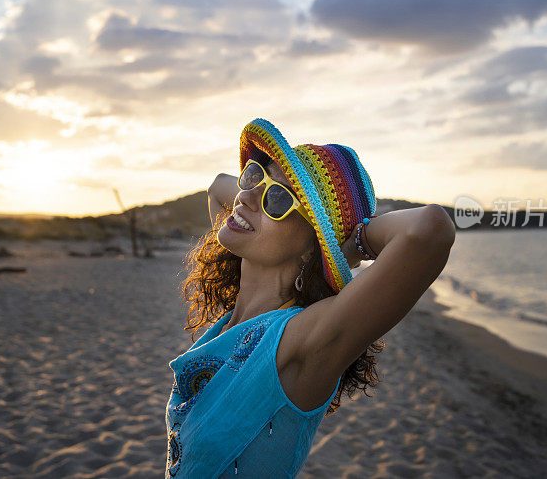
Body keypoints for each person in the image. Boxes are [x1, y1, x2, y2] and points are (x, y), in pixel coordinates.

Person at [165, 118, 455, 477]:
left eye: (278, 199)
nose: (246, 196)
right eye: (255, 176)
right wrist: (262, 187)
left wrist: (350, 245)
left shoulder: (300, 342)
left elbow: (429, 231)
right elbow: (219, 187)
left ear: (310, 247)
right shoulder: (238, 319)